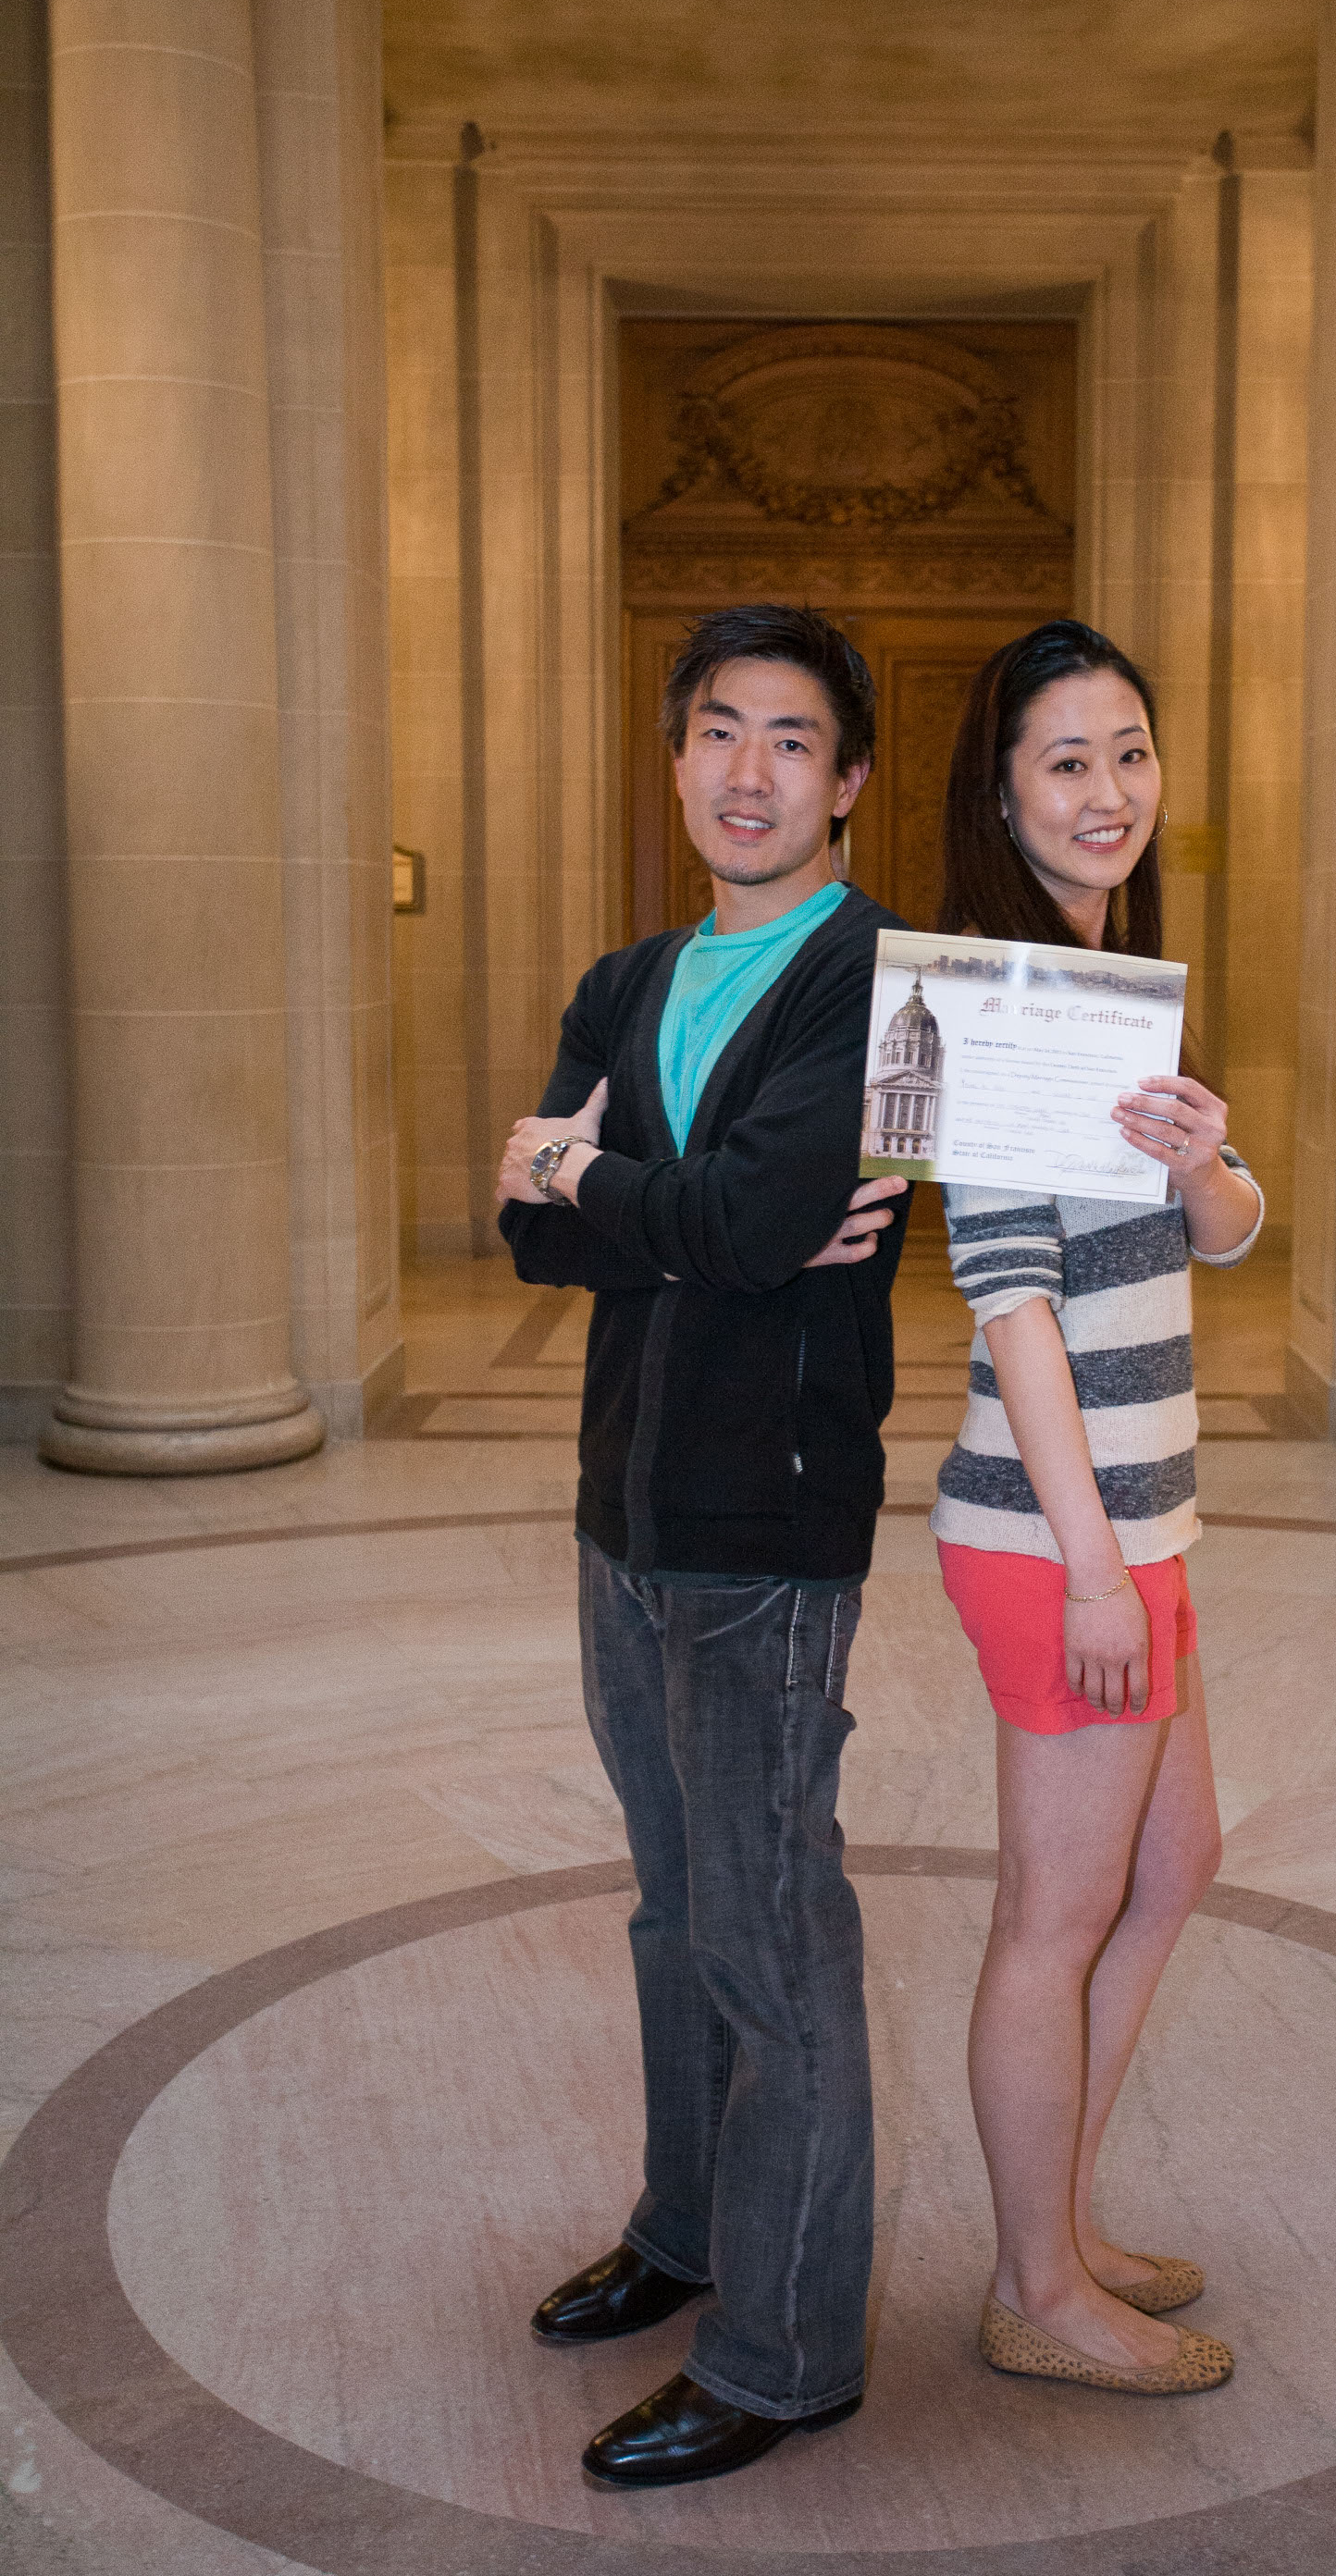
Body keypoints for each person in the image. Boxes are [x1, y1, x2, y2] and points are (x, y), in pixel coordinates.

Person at [497, 604, 909, 2491]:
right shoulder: (627, 973)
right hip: (623, 1503)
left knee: (770, 1937)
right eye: (720, 731)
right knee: (676, 1908)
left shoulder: (876, 980)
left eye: (794, 740)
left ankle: (785, 2341)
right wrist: (646, 1208)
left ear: (847, 781)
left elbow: (775, 1211)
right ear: (676, 758)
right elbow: (536, 1230)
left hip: (766, 1522)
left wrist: (612, 1191)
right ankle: (684, 2224)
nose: (751, 771)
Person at [930, 619, 1263, 2397]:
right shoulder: (995, 1007)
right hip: (1060, 1536)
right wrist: (1088, 1566)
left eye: (1126, 750)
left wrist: (1199, 1154)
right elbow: (1010, 1302)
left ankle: (1057, 2214)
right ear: (1002, 791)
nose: (1107, 789)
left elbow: (1217, 1232)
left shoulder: (1109, 980)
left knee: (1171, 1860)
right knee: (1049, 1915)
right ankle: (1035, 2286)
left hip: (1146, 1519)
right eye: (1065, 759)